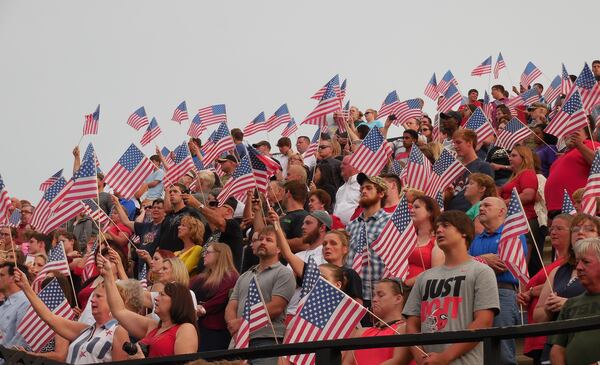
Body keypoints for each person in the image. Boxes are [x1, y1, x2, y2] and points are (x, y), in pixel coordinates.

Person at [404, 211, 499, 365]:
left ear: (464, 233)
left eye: (446, 226)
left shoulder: (482, 271)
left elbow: (483, 322)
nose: (439, 230)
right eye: (438, 227)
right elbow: (412, 324)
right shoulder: (423, 277)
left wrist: (445, 357)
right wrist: (421, 358)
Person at [13, 266, 130, 363]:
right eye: (92, 296)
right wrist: (26, 287)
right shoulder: (85, 330)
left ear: (113, 301)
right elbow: (49, 317)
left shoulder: (119, 331)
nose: (92, 300)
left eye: (98, 296)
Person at [98, 255, 198, 358]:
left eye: (162, 295)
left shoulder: (186, 329)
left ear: (176, 301)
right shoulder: (153, 326)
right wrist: (108, 275)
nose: (156, 299)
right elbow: (119, 311)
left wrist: (143, 361)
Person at [224, 226, 295, 365]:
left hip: (266, 339)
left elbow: (276, 307)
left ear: (279, 248)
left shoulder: (284, 273)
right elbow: (231, 306)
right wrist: (235, 328)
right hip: (239, 340)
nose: (262, 242)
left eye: (269, 240)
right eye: (259, 239)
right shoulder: (244, 276)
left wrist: (242, 322)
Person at [469, 197, 527, 364]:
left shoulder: (513, 234)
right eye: (480, 206)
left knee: (503, 352)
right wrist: (483, 260)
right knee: (479, 352)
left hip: (502, 293)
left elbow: (506, 264)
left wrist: (476, 261)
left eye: (487, 205)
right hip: (476, 295)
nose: (481, 208)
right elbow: (464, 266)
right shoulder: (477, 239)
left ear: (502, 211)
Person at [518, 214, 573, 365]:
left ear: (573, 232)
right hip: (538, 331)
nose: (553, 232)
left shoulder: (571, 264)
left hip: (553, 336)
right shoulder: (554, 264)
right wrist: (527, 295)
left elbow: (565, 284)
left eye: (559, 228)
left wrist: (533, 291)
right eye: (551, 228)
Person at [533, 214, 599, 325]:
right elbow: (537, 317)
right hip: (558, 339)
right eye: (575, 229)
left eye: (589, 229)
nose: (580, 232)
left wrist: (568, 305)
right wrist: (548, 308)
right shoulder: (557, 271)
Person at [549, 237, 600, 364]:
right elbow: (557, 349)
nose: (579, 267)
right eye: (577, 262)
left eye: (586, 262)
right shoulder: (570, 304)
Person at [345, 174, 391, 312]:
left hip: (377, 295)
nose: (363, 191)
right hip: (352, 294)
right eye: (362, 188)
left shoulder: (390, 223)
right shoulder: (351, 225)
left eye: (369, 188)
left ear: (381, 193)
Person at [342, 279, 408, 365]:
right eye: (373, 295)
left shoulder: (405, 329)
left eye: (380, 295)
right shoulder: (360, 333)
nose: (374, 299)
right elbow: (347, 363)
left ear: (398, 299)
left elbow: (399, 360)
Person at [500, 146, 543, 276]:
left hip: (525, 220)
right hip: (515, 221)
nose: (509, 158)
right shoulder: (516, 175)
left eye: (514, 155)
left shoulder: (527, 173)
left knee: (523, 259)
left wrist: (502, 203)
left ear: (524, 158)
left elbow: (528, 195)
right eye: (510, 155)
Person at [190, 243, 239, 351]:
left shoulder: (231, 276)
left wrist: (204, 308)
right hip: (198, 326)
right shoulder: (201, 277)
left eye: (208, 252)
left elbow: (222, 298)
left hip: (215, 331)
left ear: (219, 255)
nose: (204, 255)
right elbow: (186, 291)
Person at [545, 127, 600, 216]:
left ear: (586, 134)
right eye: (567, 131)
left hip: (577, 209)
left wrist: (580, 145)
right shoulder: (562, 156)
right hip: (554, 211)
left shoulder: (593, 145)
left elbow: (598, 164)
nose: (570, 134)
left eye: (575, 130)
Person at [446, 129, 494, 212]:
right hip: (450, 213)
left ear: (470, 142)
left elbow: (487, 194)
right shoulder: (453, 167)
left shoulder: (483, 167)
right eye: (454, 143)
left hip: (469, 215)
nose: (455, 146)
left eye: (458, 142)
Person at [404, 196, 444, 290]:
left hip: (423, 291)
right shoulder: (408, 239)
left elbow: (436, 272)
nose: (412, 210)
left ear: (430, 212)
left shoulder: (437, 241)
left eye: (417, 207)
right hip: (401, 291)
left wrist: (407, 283)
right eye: (412, 207)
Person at [158, 183, 203, 252]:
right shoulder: (168, 216)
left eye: (175, 191)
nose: (171, 194)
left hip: (181, 256)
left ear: (183, 194)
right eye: (170, 192)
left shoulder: (190, 213)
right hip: (164, 257)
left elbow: (197, 235)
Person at [0, 263, 30, 348]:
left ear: (13, 278)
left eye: (1, 275)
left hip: (9, 359)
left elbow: (20, 342)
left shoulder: (25, 303)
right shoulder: (3, 306)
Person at [334, 155, 360, 225]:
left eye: (344, 164)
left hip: (354, 230)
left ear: (354, 165)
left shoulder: (362, 186)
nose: (341, 166)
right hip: (337, 231)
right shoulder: (341, 189)